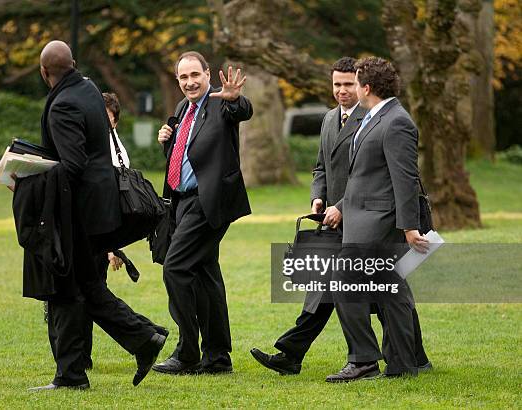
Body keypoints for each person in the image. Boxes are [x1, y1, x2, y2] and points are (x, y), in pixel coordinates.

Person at [18, 40, 166, 390]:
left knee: (66, 289)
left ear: (43, 72)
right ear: (72, 63)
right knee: (84, 285)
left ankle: (72, 375)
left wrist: (26, 179)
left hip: (78, 213)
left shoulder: (63, 105)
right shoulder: (87, 89)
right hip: (98, 209)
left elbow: (72, 165)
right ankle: (144, 339)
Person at [250, 57, 366, 374]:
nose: (342, 90)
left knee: (378, 295)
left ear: (361, 84)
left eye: (348, 84)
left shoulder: (372, 119)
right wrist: (317, 198)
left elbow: (368, 178)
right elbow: (320, 167)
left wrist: (340, 206)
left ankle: (404, 355)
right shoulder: (329, 119)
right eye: (337, 84)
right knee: (322, 289)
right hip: (329, 222)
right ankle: (290, 355)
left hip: (362, 220)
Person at [326, 56, 430, 382]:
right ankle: (403, 364)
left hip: (377, 223)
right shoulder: (375, 116)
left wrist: (410, 227)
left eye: (354, 82)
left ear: (366, 87)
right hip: (362, 219)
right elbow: (367, 174)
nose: (351, 87)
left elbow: (405, 179)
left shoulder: (396, 121)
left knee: (342, 283)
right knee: (391, 292)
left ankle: (363, 361)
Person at [152, 51, 252, 375]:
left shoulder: (221, 102)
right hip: (181, 203)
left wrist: (236, 99)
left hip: (208, 202)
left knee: (175, 268)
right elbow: (186, 154)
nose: (190, 82)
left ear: (208, 74)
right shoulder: (183, 108)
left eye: (195, 75)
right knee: (206, 276)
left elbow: (242, 110)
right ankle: (218, 357)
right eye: (183, 77)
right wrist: (166, 139)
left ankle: (187, 352)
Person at [82, 91, 168, 372]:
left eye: (106, 117)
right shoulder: (100, 142)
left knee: (89, 294)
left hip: (96, 232)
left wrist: (110, 246)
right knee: (88, 294)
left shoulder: (107, 147)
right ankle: (145, 334)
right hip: (101, 232)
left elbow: (113, 202)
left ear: (115, 121)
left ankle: (146, 333)